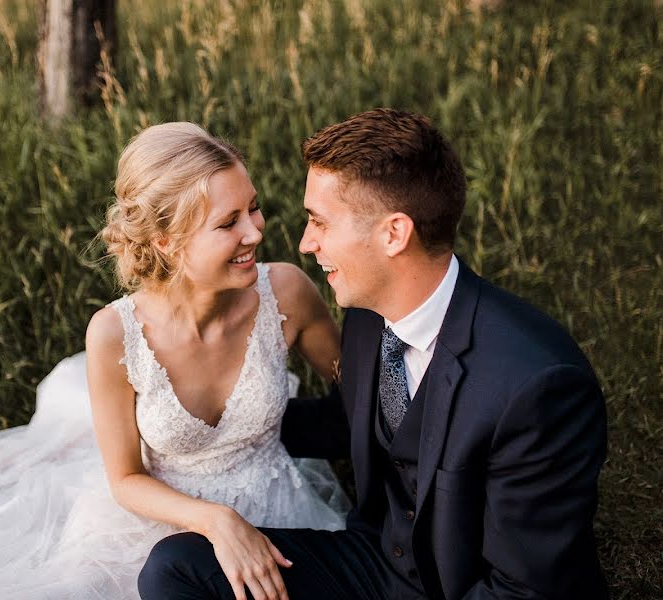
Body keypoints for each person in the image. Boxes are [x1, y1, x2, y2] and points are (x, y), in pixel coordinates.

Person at [0, 122, 351, 600]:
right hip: (158, 522)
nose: (256, 231)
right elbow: (125, 478)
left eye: (254, 209)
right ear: (164, 241)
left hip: (281, 510)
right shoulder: (115, 334)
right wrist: (216, 520)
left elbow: (360, 387)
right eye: (228, 223)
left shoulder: (286, 294)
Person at [138, 109, 609, 600]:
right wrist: (210, 428)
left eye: (319, 221)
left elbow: (523, 588)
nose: (304, 243)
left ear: (393, 234)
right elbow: (354, 419)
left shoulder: (539, 387)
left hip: (466, 585)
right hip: (377, 562)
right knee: (177, 568)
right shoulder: (368, 316)